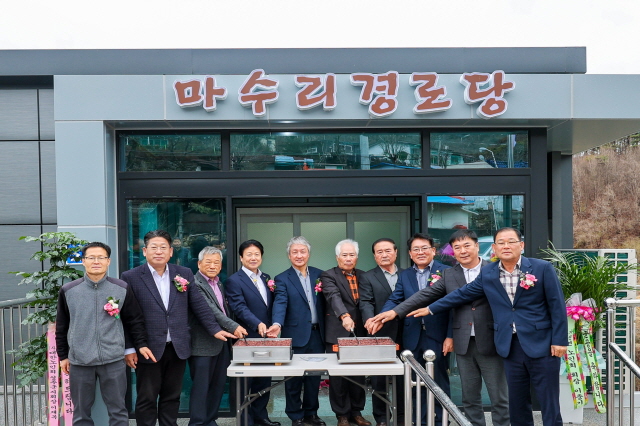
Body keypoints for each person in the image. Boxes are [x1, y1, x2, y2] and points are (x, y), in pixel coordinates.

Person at [394, 227, 568, 426]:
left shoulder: (541, 268)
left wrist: (560, 340)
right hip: (509, 345)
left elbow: (557, 305)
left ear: (521, 245)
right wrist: (430, 309)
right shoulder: (489, 273)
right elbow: (462, 294)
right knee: (517, 401)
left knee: (548, 400)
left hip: (541, 343)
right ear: (494, 247)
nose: (506, 246)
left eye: (511, 242)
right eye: (501, 243)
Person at [371, 230, 510, 426]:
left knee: (499, 397)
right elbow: (423, 295)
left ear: (477, 246)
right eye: (457, 247)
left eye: (467, 245)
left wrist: (433, 314)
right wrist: (393, 312)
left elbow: (455, 303)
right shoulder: (449, 274)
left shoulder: (494, 270)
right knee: (469, 397)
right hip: (460, 341)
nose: (462, 251)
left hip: (489, 339)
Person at [122, 230, 235, 426]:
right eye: (154, 247)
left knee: (172, 397)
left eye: (163, 247)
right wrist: (130, 347)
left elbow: (199, 305)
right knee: (147, 398)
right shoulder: (131, 277)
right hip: (147, 348)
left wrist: (215, 329)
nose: (159, 251)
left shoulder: (183, 273)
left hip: (177, 347)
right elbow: (127, 316)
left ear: (171, 251)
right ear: (145, 251)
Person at [55, 242, 156, 426]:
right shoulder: (69, 290)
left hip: (113, 360)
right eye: (91, 257)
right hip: (80, 361)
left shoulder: (121, 288)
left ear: (108, 261)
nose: (96, 261)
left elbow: (134, 320)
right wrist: (63, 355)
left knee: (118, 411)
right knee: (81, 413)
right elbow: (62, 325)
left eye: (101, 257)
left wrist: (138, 345)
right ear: (83, 261)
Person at [373, 233, 452, 426]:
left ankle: (441, 420)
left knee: (439, 380)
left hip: (438, 335)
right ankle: (420, 420)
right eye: (416, 249)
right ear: (410, 253)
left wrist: (450, 336)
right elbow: (395, 298)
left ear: (433, 250)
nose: (420, 252)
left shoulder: (447, 272)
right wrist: (382, 316)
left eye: (425, 248)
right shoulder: (405, 275)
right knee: (415, 382)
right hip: (412, 335)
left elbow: (454, 308)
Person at [267, 236, 326, 426]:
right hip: (294, 334)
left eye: (302, 251)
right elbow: (280, 302)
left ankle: (311, 414)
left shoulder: (320, 275)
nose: (299, 255)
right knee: (293, 379)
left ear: (308, 254)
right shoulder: (282, 278)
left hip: (317, 334)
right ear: (289, 255)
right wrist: (277, 323)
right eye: (295, 252)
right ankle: (295, 416)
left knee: (314, 378)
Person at [189, 246, 248, 426]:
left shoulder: (219, 283)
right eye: (208, 262)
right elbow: (211, 311)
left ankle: (210, 420)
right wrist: (234, 326)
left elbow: (223, 310)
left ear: (221, 266)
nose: (213, 266)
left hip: (222, 343)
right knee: (201, 388)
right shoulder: (195, 284)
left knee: (217, 385)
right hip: (202, 345)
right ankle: (197, 423)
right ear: (199, 264)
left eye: (216, 262)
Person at [225, 240, 280, 426]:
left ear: (262, 257)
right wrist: (257, 324)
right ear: (241, 257)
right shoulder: (234, 280)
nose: (253, 258)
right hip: (247, 338)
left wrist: (273, 325)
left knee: (264, 380)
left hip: (267, 338)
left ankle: (260, 416)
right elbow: (239, 307)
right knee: (246, 382)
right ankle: (245, 420)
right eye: (249, 254)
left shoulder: (266, 278)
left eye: (257, 254)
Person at [321, 239, 371, 426]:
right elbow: (333, 296)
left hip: (360, 333)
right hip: (337, 331)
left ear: (357, 257)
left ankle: (357, 412)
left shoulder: (364, 275)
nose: (348, 258)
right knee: (338, 377)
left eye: (352, 255)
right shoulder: (328, 275)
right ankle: (341, 414)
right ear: (337, 257)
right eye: (345, 255)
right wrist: (344, 315)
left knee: (358, 374)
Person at [359, 238, 405, 426]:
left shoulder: (407, 274)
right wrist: (370, 320)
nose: (384, 255)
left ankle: (402, 417)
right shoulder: (368, 277)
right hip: (380, 333)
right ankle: (382, 418)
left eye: (388, 250)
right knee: (379, 379)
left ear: (396, 252)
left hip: (406, 332)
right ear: (374, 256)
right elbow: (366, 302)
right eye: (379, 252)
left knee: (404, 378)